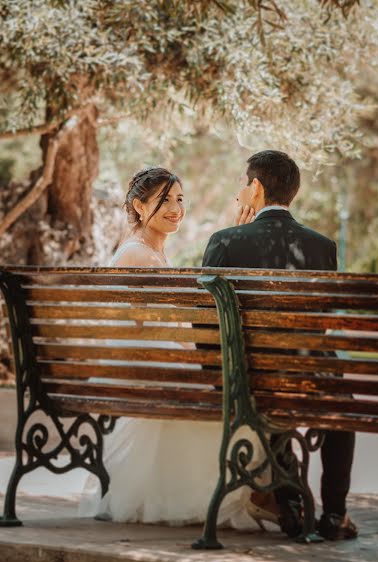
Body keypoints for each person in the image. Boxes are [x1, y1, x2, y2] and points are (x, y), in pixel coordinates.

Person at [79, 166, 267, 528]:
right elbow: (168, 331)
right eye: (164, 200)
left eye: (179, 199)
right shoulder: (140, 257)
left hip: (147, 370)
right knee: (236, 400)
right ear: (138, 205)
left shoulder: (145, 253)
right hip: (149, 375)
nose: (176, 208)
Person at [202, 150, 358, 541]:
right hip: (302, 377)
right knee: (341, 401)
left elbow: (205, 323)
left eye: (243, 183)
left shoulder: (224, 242)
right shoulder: (322, 247)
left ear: (255, 187)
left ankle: (290, 504)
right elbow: (320, 324)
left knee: (272, 387)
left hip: (244, 379)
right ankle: (335, 514)